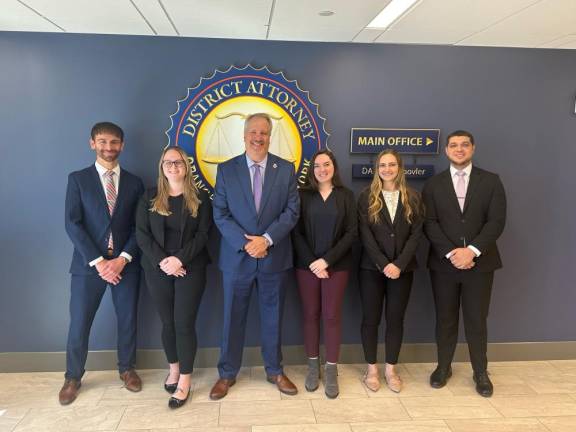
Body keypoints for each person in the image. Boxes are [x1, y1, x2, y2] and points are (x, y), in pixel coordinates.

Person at [210, 113, 300, 400]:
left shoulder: (285, 169)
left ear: (270, 137)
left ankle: (274, 370)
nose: (258, 138)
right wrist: (247, 244)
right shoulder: (226, 170)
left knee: (273, 318)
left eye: (263, 133)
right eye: (253, 132)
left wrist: (267, 240)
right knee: (231, 318)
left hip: (274, 257)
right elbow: (220, 214)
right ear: (244, 135)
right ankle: (226, 374)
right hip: (237, 258)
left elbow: (292, 211)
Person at [60, 122, 144, 405]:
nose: (109, 147)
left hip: (126, 265)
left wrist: (122, 259)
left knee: (128, 319)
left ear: (122, 144)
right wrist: (99, 262)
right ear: (92, 143)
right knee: (80, 323)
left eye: (115, 142)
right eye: (103, 141)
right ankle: (73, 376)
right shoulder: (78, 179)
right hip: (88, 266)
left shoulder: (135, 183)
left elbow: (139, 228)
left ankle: (127, 369)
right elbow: (72, 224)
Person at [422, 130, 506, 397]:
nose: (459, 149)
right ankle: (443, 367)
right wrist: (452, 253)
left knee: (476, 320)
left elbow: (496, 222)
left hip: (480, 265)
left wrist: (471, 251)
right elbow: (429, 223)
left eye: (464, 145)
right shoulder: (433, 185)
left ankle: (480, 372)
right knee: (445, 320)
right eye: (454, 145)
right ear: (446, 150)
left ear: (473, 148)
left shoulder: (491, 181)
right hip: (444, 265)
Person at [135, 146, 212, 409]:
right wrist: (164, 262)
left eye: (178, 162)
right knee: (167, 323)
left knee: (183, 324)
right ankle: (174, 369)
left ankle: (186, 381)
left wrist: (179, 260)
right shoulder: (149, 197)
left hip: (191, 268)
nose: (173, 166)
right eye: (168, 162)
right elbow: (142, 235)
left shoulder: (200, 197)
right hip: (156, 269)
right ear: (161, 166)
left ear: (186, 166)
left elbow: (203, 235)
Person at [357, 149, 424, 393]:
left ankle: (390, 369)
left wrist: (399, 264)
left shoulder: (413, 198)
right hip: (371, 269)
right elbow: (365, 235)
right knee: (370, 320)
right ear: (377, 168)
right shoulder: (366, 197)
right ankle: (372, 369)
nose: (387, 169)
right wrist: (384, 263)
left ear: (400, 168)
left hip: (402, 271)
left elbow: (417, 235)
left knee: (395, 320)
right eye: (383, 165)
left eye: (392, 164)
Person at [292, 150, 357, 398]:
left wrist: (327, 260)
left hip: (336, 266)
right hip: (306, 266)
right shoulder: (302, 196)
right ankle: (312, 368)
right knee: (310, 315)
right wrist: (313, 262)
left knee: (331, 316)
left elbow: (352, 232)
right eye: (317, 165)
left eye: (326, 164)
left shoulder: (346, 196)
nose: (322, 169)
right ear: (312, 170)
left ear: (334, 167)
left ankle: (331, 370)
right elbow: (295, 233)